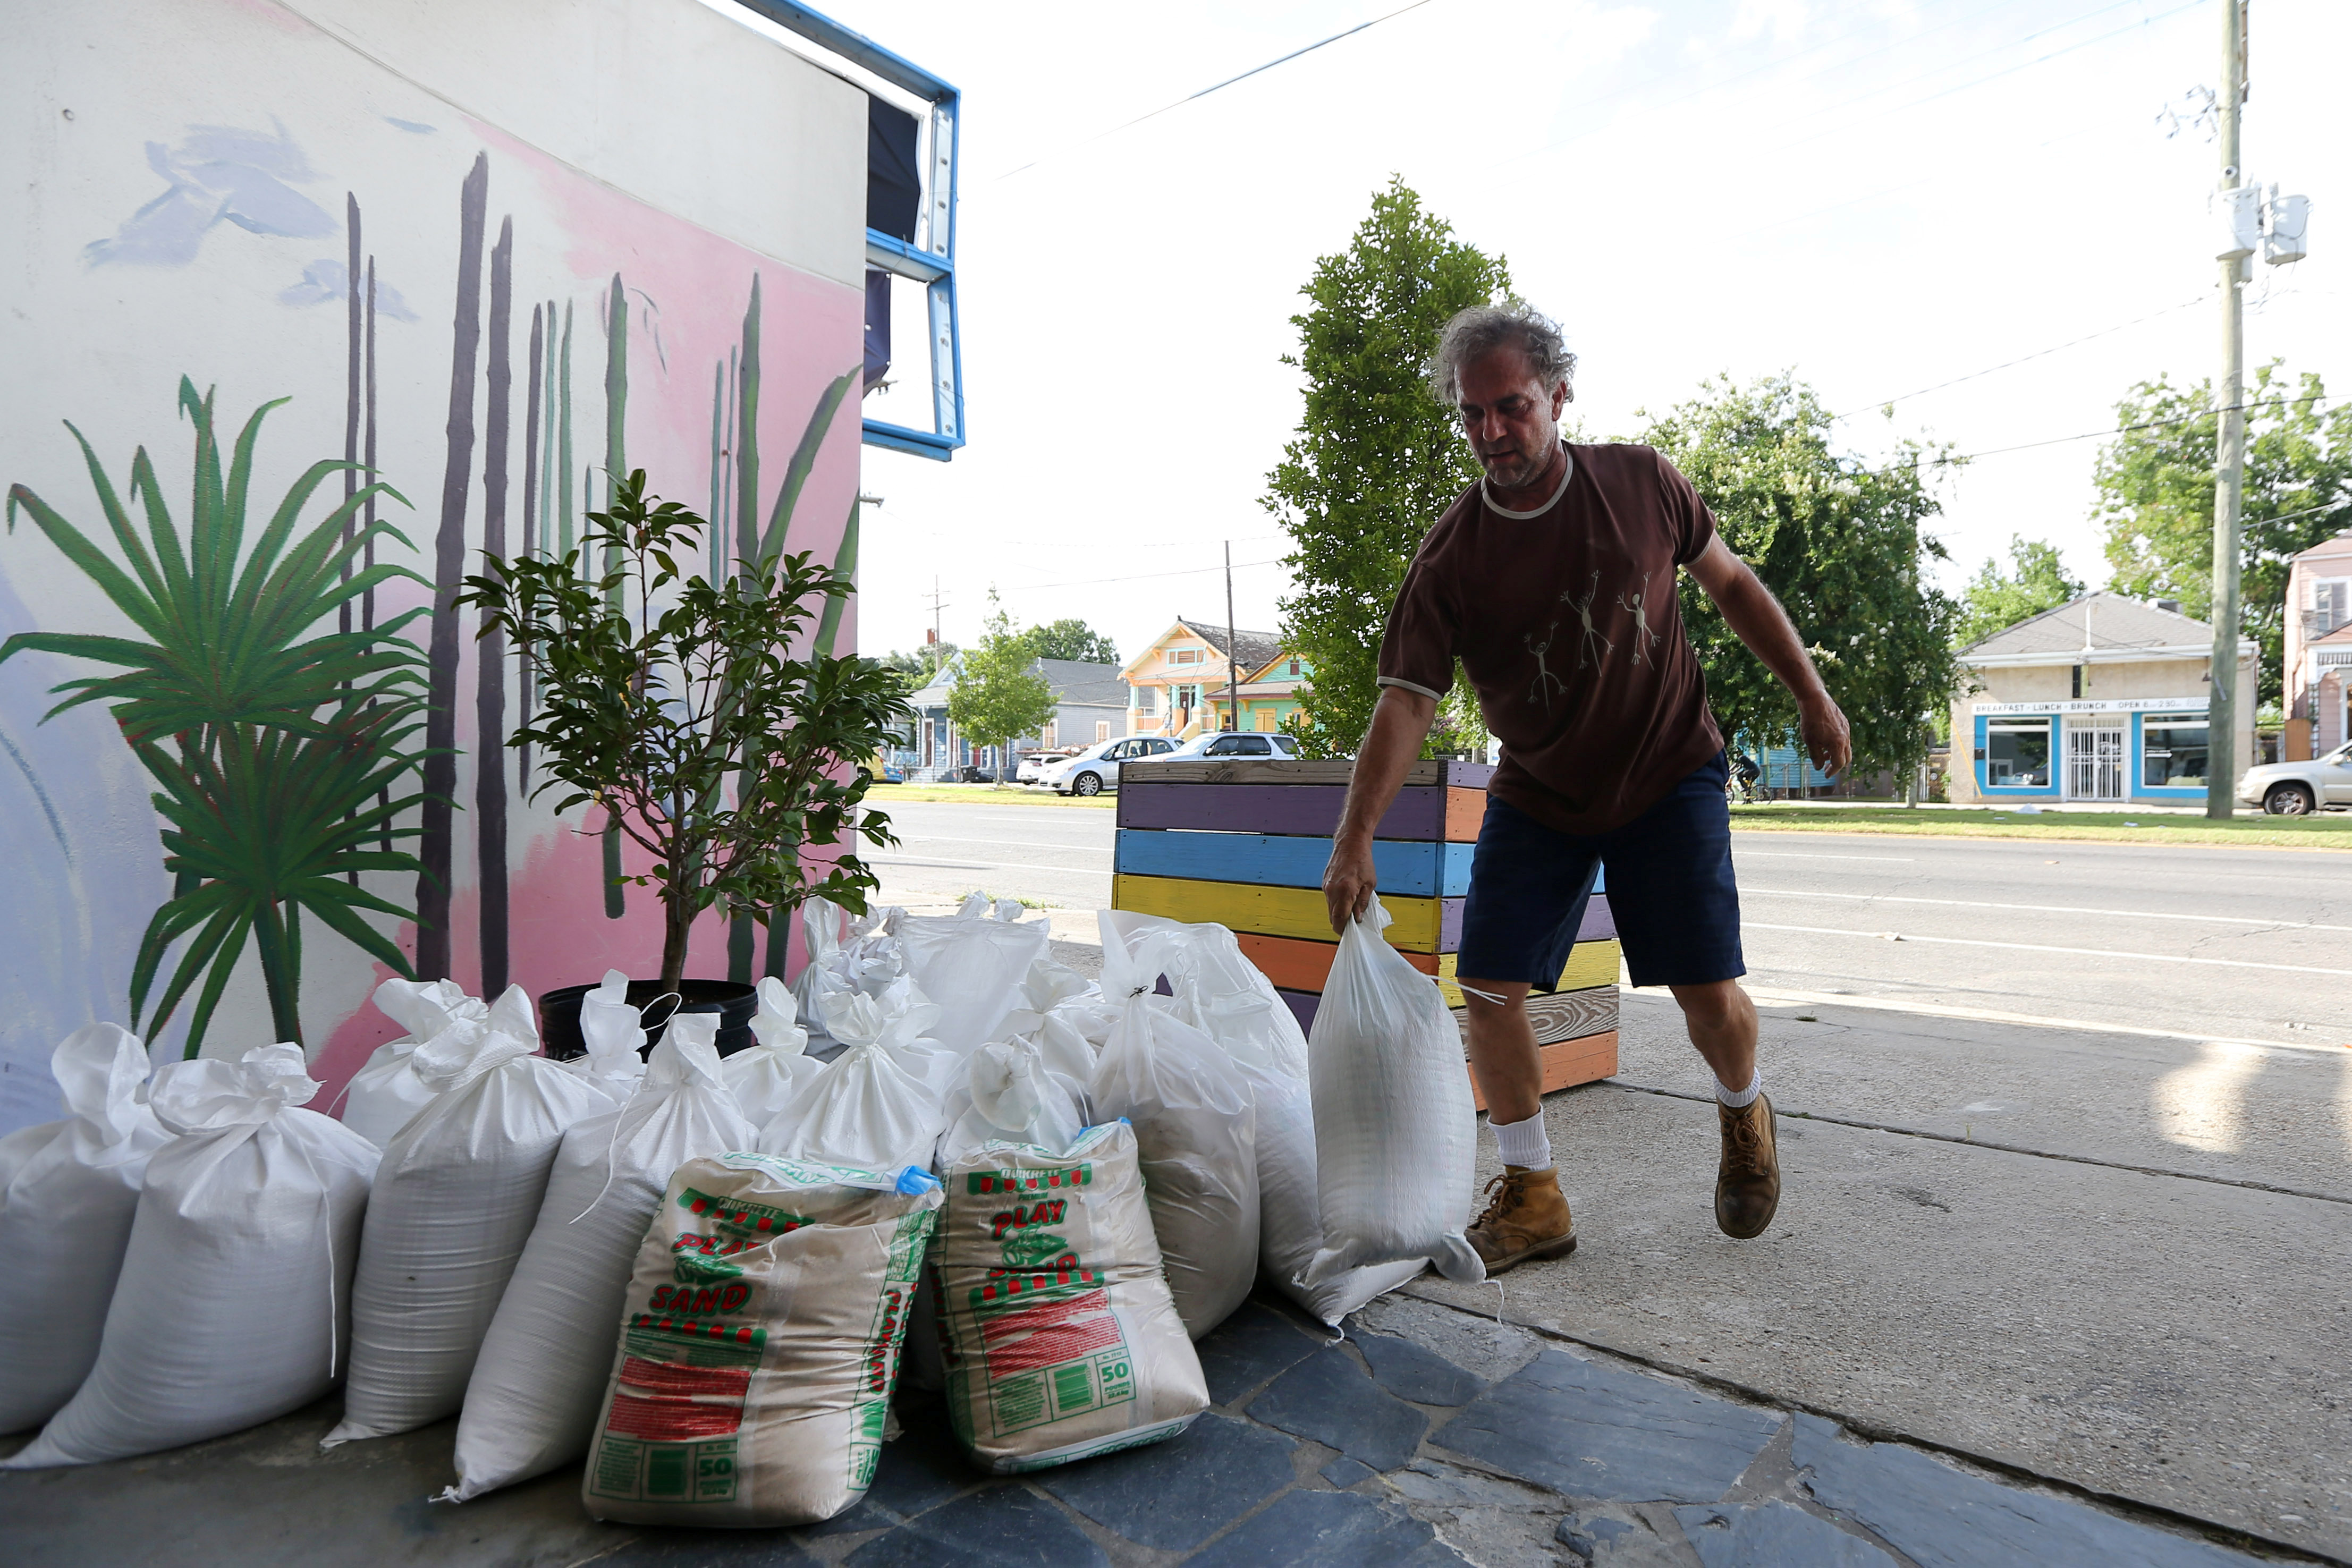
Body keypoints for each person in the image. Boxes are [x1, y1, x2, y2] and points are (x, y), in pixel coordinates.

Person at [1321, 303, 1850, 1275]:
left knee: (1704, 994)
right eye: (1472, 415)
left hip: (1667, 769)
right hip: (1541, 791)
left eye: (1510, 408)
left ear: (1558, 395)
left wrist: (1810, 693)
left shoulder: (1643, 484)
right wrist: (1353, 838)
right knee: (1486, 985)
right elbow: (1406, 704)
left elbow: (1730, 584)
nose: (1490, 433)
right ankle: (1534, 1196)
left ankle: (1744, 1110)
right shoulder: (1451, 557)